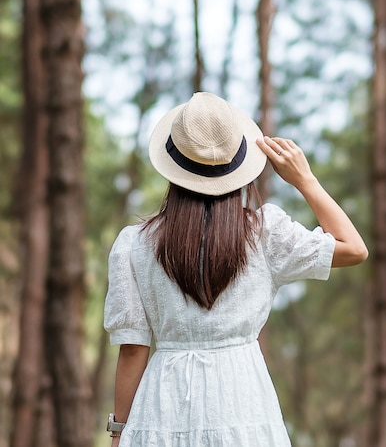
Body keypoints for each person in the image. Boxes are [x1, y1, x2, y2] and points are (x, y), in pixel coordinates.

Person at [104, 92, 368, 447]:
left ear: (173, 164)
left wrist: (119, 433)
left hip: (163, 407)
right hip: (243, 404)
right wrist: (305, 180)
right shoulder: (265, 233)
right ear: (237, 163)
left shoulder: (134, 244)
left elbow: (133, 349)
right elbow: (354, 248)